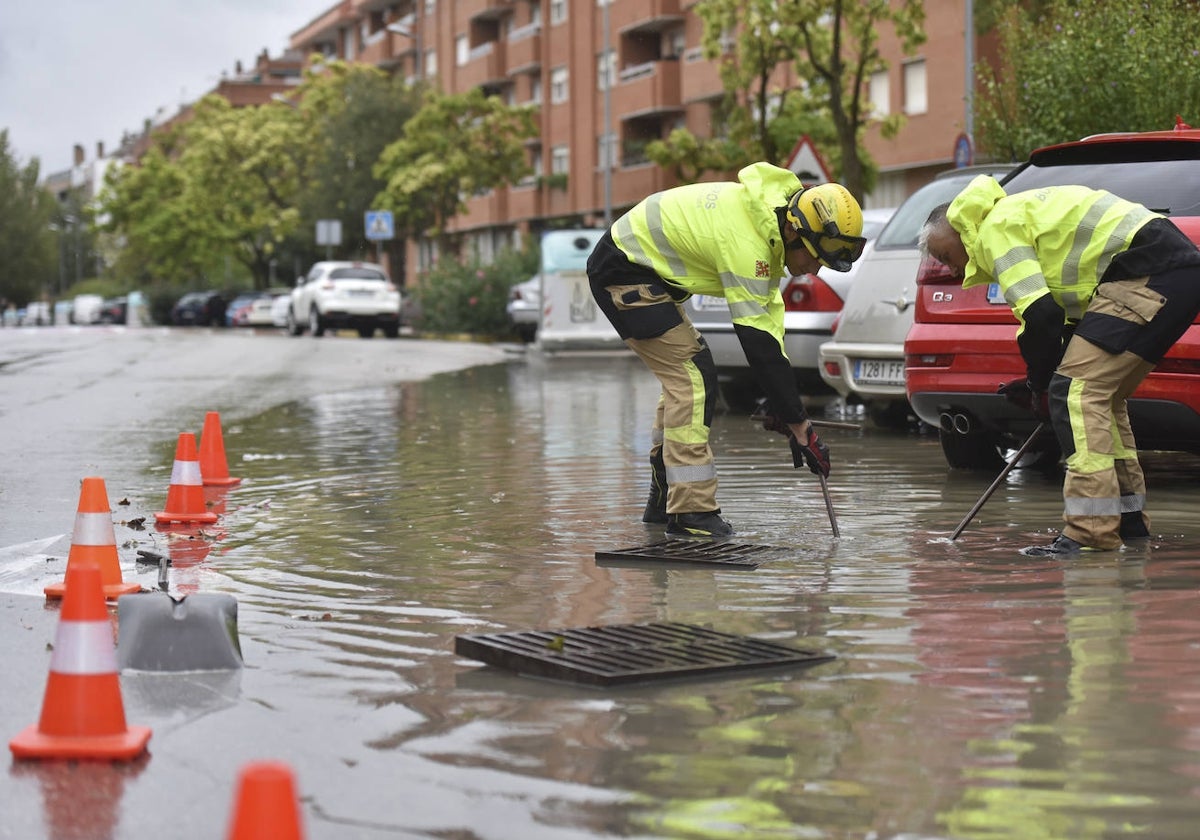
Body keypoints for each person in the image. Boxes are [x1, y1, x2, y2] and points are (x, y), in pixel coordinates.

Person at [919, 174, 1200, 555]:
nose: (951, 270)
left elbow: (1041, 316)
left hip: (1149, 269)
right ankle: (1128, 525)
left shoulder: (994, 229)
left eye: (945, 256)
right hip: (1172, 272)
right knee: (1100, 397)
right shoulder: (1015, 216)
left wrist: (1042, 385)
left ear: (958, 230)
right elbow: (1060, 328)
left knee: (1076, 392)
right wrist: (1040, 381)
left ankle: (1088, 534)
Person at [587, 162, 866, 538]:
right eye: (815, 257)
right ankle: (691, 513)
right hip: (623, 270)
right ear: (792, 230)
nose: (814, 270)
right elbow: (756, 343)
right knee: (693, 376)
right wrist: (798, 423)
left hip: (641, 269)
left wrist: (792, 415)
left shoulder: (765, 226)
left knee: (684, 374)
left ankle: (665, 497)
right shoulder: (749, 243)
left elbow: (770, 340)